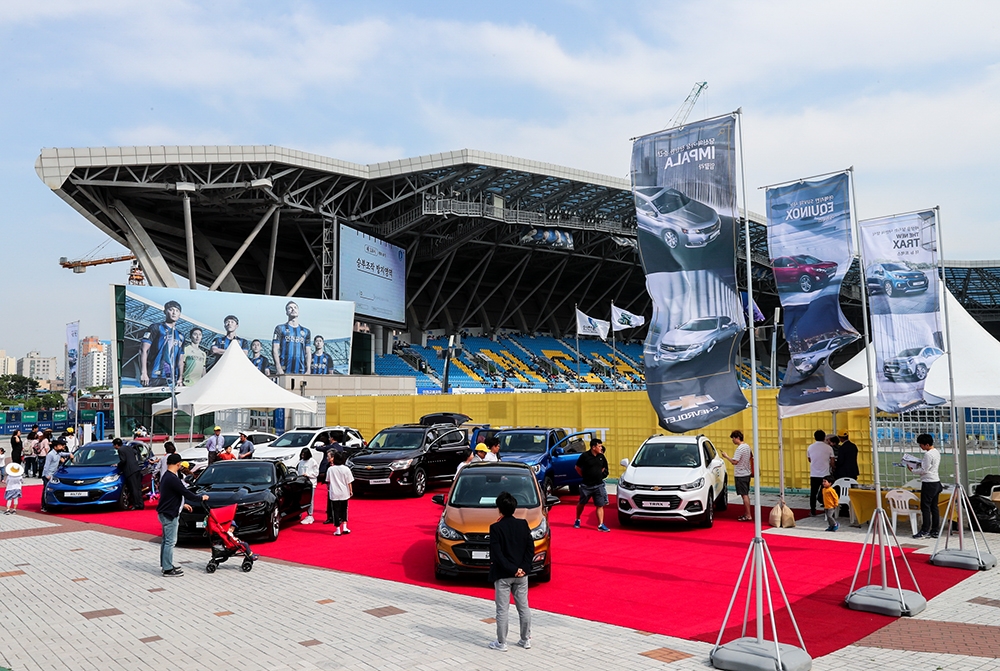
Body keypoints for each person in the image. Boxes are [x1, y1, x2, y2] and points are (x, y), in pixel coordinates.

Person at [487, 491, 534, 652]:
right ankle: (525, 639)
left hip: (503, 574)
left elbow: (497, 554)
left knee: (502, 610)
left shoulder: (495, 528)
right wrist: (523, 568)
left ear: (499, 508)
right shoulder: (523, 524)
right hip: (522, 575)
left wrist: (512, 569)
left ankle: (501, 642)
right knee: (523, 607)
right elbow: (530, 548)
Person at [156, 453, 209, 576]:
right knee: (170, 541)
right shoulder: (172, 478)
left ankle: (166, 564)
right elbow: (185, 492)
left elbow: (171, 496)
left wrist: (182, 505)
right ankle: (168, 569)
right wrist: (201, 498)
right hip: (170, 513)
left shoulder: (166, 476)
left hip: (165, 511)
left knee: (166, 541)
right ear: (178, 464)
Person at [140, 299, 184, 387]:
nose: (174, 313)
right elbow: (143, 350)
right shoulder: (156, 327)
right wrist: (144, 373)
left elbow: (181, 359)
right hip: (154, 374)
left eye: (177, 311)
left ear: (179, 314)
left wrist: (180, 378)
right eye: (171, 309)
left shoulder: (181, 336)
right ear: (165, 312)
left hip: (172, 377)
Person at [574, 438, 611, 532]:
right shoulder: (584, 456)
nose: (601, 448)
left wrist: (599, 475)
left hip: (598, 485)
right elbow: (577, 467)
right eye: (599, 446)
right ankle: (577, 519)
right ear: (593, 447)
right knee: (582, 503)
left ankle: (600, 524)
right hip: (586, 486)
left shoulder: (601, 457)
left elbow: (604, 467)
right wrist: (584, 475)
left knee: (600, 505)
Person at [909, 433, 942, 539]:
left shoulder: (928, 454)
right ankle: (935, 530)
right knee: (934, 507)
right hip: (936, 481)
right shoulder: (936, 452)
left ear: (927, 444)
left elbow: (924, 470)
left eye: (921, 445)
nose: (920, 447)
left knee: (925, 507)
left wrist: (913, 470)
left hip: (929, 482)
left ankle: (925, 530)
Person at [721, 429, 754, 522]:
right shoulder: (747, 446)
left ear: (737, 438)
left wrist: (726, 456)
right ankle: (747, 514)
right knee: (745, 494)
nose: (733, 440)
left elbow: (734, 461)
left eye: (733, 438)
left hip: (741, 474)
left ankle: (748, 515)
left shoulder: (740, 449)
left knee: (744, 495)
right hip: (746, 473)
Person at [272, 300, 312, 375]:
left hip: (301, 370)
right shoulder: (280, 328)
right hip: (284, 369)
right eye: (290, 308)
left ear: (298, 311)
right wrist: (278, 368)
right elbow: (275, 349)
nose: (293, 309)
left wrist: (308, 369)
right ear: (286, 312)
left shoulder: (306, 331)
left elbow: (308, 352)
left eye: (295, 307)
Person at [806, 430, 835, 516]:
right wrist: (833, 467)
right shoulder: (829, 448)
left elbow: (809, 459)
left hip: (814, 474)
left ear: (814, 437)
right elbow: (832, 461)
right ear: (824, 437)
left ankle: (812, 510)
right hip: (825, 474)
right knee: (826, 493)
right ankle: (828, 510)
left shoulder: (810, 447)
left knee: (813, 493)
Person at [326, 451, 354, 536]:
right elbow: (349, 482)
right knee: (344, 509)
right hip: (344, 492)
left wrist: (328, 488)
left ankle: (337, 528)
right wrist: (351, 491)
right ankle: (345, 527)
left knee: (335, 511)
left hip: (334, 492)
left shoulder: (330, 469)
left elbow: (328, 481)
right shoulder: (346, 469)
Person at [115, 438, 144, 510]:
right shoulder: (128, 447)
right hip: (136, 468)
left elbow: (123, 460)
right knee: (138, 488)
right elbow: (135, 452)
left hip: (130, 471)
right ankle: (141, 504)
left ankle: (136, 504)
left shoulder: (120, 450)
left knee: (133, 488)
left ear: (116, 445)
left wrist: (118, 465)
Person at [40, 439, 69, 509]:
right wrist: (47, 475)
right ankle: (44, 506)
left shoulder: (58, 453)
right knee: (46, 490)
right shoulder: (50, 454)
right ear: (55, 447)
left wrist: (70, 454)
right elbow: (46, 466)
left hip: (53, 475)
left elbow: (64, 454)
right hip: (47, 475)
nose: (62, 447)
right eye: (60, 446)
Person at [297, 447, 319, 524]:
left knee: (310, 499)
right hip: (302, 483)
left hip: (311, 483)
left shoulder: (312, 462)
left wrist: (308, 474)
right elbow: (299, 472)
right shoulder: (301, 462)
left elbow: (316, 473)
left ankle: (310, 515)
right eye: (302, 454)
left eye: (304, 454)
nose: (303, 456)